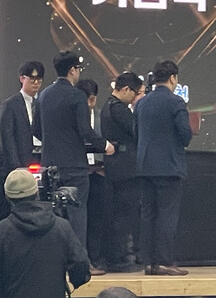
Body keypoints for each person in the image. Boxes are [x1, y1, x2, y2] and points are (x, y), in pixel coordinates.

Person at [32, 51, 114, 276]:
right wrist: (104, 145)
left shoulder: (44, 95)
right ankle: (80, 264)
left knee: (54, 215)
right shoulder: (77, 96)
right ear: (72, 70)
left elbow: (36, 130)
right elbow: (84, 130)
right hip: (74, 165)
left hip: (49, 165)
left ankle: (56, 264)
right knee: (77, 214)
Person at [135, 60, 192, 276]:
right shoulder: (176, 102)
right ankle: (165, 261)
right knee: (167, 216)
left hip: (145, 166)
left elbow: (136, 132)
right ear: (173, 78)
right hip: (169, 166)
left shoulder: (141, 103)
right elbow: (185, 135)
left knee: (147, 215)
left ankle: (149, 263)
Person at [0, 168, 90, 298]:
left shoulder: (3, 231)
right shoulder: (61, 227)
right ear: (36, 192)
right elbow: (80, 265)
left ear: (7, 197)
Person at [101, 72, 144, 273]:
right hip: (126, 169)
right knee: (125, 214)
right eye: (135, 93)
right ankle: (119, 259)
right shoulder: (119, 109)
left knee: (120, 213)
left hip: (116, 166)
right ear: (126, 89)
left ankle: (119, 256)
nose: (135, 98)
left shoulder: (108, 106)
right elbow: (137, 131)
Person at [0, 60, 44, 220]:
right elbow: (7, 138)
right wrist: (16, 166)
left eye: (39, 79)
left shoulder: (43, 102)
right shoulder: (10, 105)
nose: (36, 83)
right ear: (22, 78)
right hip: (19, 161)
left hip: (41, 157)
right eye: (32, 79)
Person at [76, 78, 109, 271]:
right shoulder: (71, 118)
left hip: (98, 173)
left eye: (90, 99)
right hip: (79, 172)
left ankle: (95, 258)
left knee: (96, 218)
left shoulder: (100, 117)